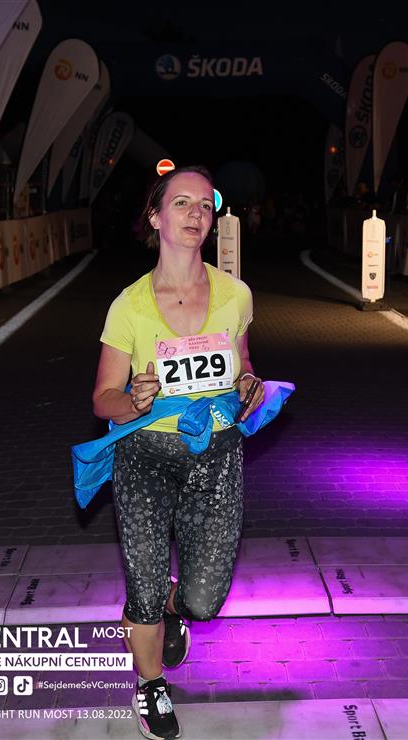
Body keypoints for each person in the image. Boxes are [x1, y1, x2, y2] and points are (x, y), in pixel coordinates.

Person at [91, 165, 264, 740]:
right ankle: (150, 685)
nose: (196, 214)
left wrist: (248, 384)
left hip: (215, 456)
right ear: (155, 217)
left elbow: (242, 363)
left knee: (204, 600)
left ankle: (172, 606)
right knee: (141, 588)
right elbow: (103, 397)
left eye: (205, 205)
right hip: (144, 456)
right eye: (181, 203)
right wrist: (132, 400)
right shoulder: (129, 306)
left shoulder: (236, 295)